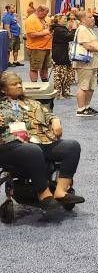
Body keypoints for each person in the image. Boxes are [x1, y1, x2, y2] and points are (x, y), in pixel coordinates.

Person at [0, 68, 83, 215]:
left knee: (72, 146)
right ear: (3, 89)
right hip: (11, 145)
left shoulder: (32, 103)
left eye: (20, 83)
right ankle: (44, 195)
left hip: (41, 141)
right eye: (14, 84)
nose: (19, 86)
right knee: (32, 150)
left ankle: (60, 191)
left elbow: (48, 114)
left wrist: (55, 120)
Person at [71, 11, 98, 116]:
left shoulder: (89, 30)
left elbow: (92, 44)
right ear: (83, 19)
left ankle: (86, 107)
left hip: (92, 62)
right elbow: (87, 46)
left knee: (90, 86)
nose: (93, 19)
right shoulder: (82, 29)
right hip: (84, 63)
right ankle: (80, 109)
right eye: (90, 17)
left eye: (93, 17)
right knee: (83, 86)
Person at [24, 3, 53, 82]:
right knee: (34, 68)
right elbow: (31, 34)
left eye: (46, 14)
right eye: (44, 14)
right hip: (36, 48)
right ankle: (34, 85)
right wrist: (45, 33)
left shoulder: (47, 18)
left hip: (47, 47)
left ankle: (45, 83)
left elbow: (50, 29)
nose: (45, 16)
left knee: (45, 67)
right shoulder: (30, 20)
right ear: (39, 11)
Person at [50, 13, 76, 98]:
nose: (66, 20)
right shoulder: (58, 29)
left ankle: (66, 91)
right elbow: (69, 37)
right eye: (64, 19)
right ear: (58, 20)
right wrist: (74, 29)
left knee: (69, 74)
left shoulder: (63, 28)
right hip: (59, 54)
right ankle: (58, 93)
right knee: (59, 75)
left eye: (66, 19)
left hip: (65, 54)